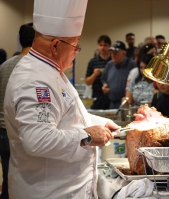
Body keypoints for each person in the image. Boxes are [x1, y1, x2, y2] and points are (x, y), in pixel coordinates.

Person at [3, 1, 120, 198]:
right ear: (56, 45)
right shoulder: (34, 81)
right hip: (48, 192)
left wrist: (100, 123)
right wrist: (88, 136)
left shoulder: (51, 71)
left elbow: (66, 115)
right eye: (75, 45)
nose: (77, 51)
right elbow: (38, 140)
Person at [0, 22, 35, 199]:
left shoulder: (5, 65)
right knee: (24, 181)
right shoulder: (34, 66)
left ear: (20, 41)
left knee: (7, 178)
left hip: (2, 130)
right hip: (21, 132)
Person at [101, 41, 137, 109]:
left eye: (116, 53)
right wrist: (104, 85)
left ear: (124, 53)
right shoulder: (109, 64)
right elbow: (103, 78)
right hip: (112, 103)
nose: (113, 55)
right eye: (112, 53)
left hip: (126, 103)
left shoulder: (132, 64)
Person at [85, 35, 111, 109]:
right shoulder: (93, 62)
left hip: (111, 96)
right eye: (100, 45)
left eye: (105, 45)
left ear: (109, 46)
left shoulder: (113, 61)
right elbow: (87, 82)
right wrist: (94, 74)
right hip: (97, 96)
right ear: (98, 46)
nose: (103, 48)